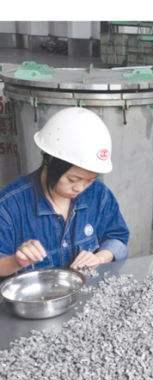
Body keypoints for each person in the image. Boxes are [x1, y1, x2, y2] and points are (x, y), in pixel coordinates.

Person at [0, 108, 129, 277]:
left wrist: (100, 257)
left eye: (90, 180)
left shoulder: (99, 195)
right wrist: (17, 261)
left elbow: (118, 239)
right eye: (73, 179)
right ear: (49, 162)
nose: (80, 188)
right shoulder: (9, 206)